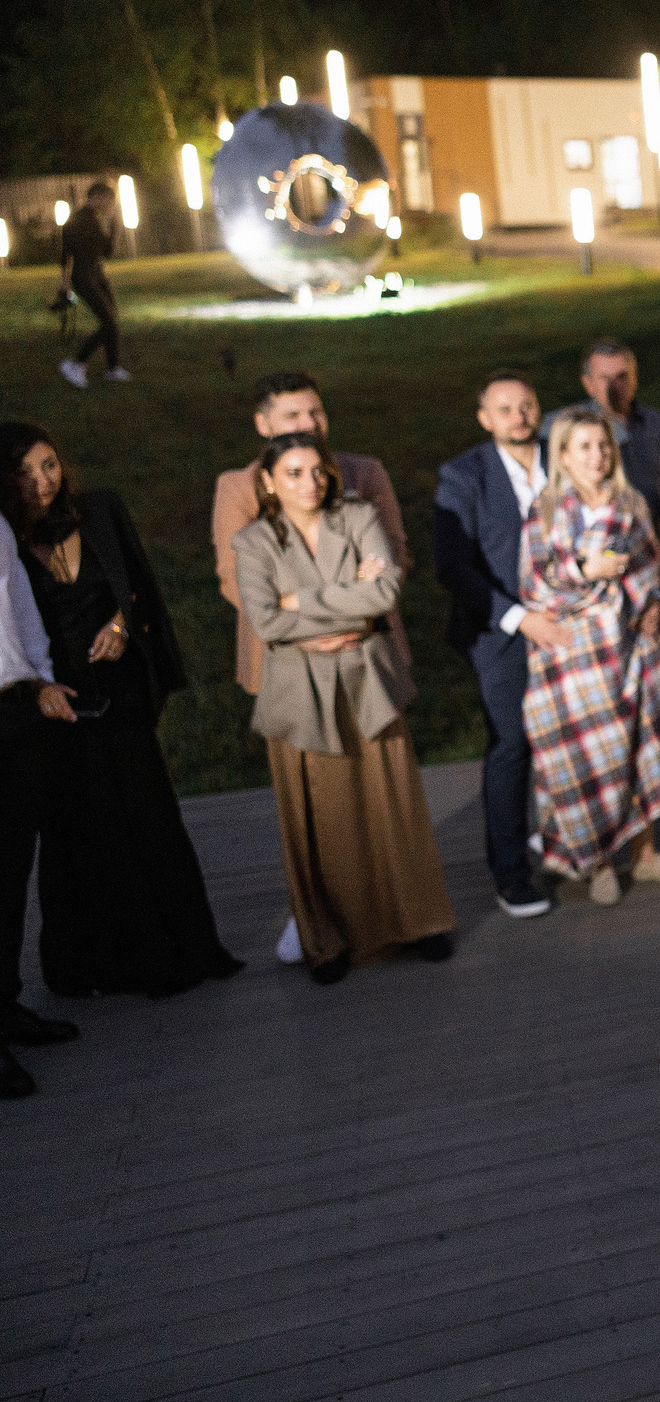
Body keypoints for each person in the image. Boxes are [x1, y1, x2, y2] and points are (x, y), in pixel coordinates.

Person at [3, 425, 240, 999]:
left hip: (122, 694)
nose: (43, 483)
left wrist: (119, 626)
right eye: (26, 474)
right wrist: (37, 688)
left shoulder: (100, 510)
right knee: (81, 834)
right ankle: (101, 965)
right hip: (59, 703)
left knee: (151, 819)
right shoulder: (6, 536)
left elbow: (139, 588)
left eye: (50, 465)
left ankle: (185, 949)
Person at [232, 433, 456, 983]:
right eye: (293, 473)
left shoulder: (358, 518)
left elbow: (382, 596)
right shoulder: (254, 543)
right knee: (318, 819)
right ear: (268, 482)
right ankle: (327, 941)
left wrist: (302, 605)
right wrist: (344, 608)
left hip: (367, 682)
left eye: (318, 471)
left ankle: (420, 923)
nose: (310, 483)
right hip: (298, 693)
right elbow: (264, 622)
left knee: (394, 805)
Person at [520, 407, 660, 903]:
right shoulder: (547, 510)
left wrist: (653, 604)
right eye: (584, 447)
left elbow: (649, 562)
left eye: (603, 446)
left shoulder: (630, 502)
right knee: (588, 758)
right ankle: (597, 861)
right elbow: (536, 582)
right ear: (562, 455)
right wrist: (586, 570)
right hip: (574, 650)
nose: (597, 456)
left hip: (630, 646)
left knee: (640, 749)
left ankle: (645, 855)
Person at [433, 371, 565, 917]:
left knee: (571, 735)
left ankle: (571, 841)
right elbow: (453, 567)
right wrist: (517, 618)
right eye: (505, 409)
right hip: (501, 631)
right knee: (512, 746)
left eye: (527, 405)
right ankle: (510, 872)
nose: (519, 416)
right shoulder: (463, 476)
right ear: (485, 419)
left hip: (568, 622)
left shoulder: (563, 459)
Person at [213, 371, 410, 712]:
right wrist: (309, 633)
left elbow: (393, 560)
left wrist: (347, 624)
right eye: (293, 416)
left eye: (316, 412)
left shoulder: (365, 474)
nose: (310, 423)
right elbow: (236, 581)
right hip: (287, 657)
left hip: (365, 646)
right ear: (263, 424)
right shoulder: (239, 488)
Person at [0, 507, 79, 1099]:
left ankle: (6, 1006)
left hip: (13, 706)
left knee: (10, 872)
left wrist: (44, 678)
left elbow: (20, 605)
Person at [547, 340, 660, 536]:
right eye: (605, 378)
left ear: (635, 378)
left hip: (650, 538)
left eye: (621, 376)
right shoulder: (568, 427)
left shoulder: (655, 423)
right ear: (588, 384)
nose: (615, 386)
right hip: (593, 541)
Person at [55, 182, 127, 389]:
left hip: (98, 274)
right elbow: (65, 253)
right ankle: (75, 364)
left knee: (112, 320)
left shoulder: (97, 220)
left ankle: (113, 368)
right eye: (109, 199)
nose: (111, 204)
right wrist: (64, 282)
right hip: (83, 276)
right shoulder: (77, 220)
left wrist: (114, 227)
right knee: (108, 323)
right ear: (96, 196)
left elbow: (107, 253)